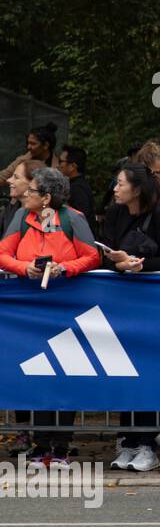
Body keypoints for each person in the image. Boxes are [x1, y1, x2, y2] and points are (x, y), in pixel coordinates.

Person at [0, 168, 100, 467]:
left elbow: (93, 256)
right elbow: (3, 253)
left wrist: (65, 268)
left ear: (46, 198)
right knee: (39, 374)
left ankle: (61, 446)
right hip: (31, 309)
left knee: (65, 373)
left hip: (67, 305)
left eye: (32, 191)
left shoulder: (73, 219)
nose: (25, 195)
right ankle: (40, 444)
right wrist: (23, 267)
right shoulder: (21, 218)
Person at [100, 163, 160, 472]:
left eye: (121, 183)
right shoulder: (115, 213)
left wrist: (138, 266)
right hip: (120, 303)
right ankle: (129, 441)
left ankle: (147, 444)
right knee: (124, 372)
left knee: (147, 372)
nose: (115, 188)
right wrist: (117, 263)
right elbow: (102, 252)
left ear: (137, 189)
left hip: (152, 305)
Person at [2, 159, 46, 232]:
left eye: (16, 177)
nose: (8, 180)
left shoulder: (49, 214)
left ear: (33, 183)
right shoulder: (14, 208)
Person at [56, 146, 95, 219]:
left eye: (60, 161)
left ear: (72, 166)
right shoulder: (76, 184)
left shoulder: (77, 188)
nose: (58, 165)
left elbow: (81, 216)